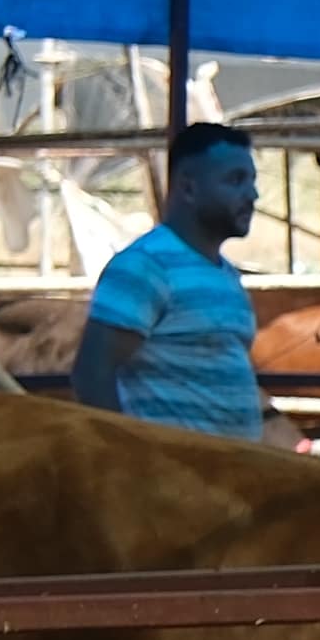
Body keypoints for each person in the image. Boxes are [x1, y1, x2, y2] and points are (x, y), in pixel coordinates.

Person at [74, 122, 271, 440]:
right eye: (235, 180)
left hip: (224, 476)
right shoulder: (145, 267)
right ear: (188, 188)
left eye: (252, 181)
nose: (252, 195)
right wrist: (128, 457)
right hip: (171, 477)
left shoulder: (226, 275)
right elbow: (92, 374)